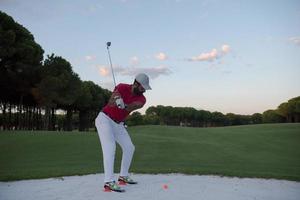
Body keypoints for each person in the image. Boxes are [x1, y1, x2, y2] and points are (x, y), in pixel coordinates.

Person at [95, 73, 151, 192]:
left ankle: (123, 176)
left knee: (129, 147)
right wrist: (117, 99)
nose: (144, 91)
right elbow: (110, 102)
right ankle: (109, 182)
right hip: (104, 119)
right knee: (110, 147)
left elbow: (133, 107)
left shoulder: (142, 99)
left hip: (118, 124)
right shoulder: (121, 87)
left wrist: (124, 105)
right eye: (142, 88)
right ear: (136, 83)